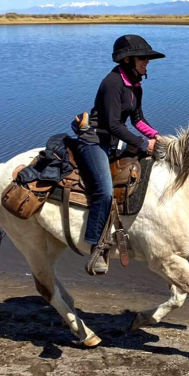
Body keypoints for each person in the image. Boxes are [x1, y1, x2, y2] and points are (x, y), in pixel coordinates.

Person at [76, 34, 165, 275]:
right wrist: (141, 143)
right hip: (94, 142)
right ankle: (96, 246)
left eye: (148, 59)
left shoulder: (135, 85)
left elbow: (137, 119)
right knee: (104, 193)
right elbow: (114, 124)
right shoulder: (112, 84)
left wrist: (156, 136)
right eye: (143, 58)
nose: (147, 62)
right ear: (127, 60)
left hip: (112, 142)